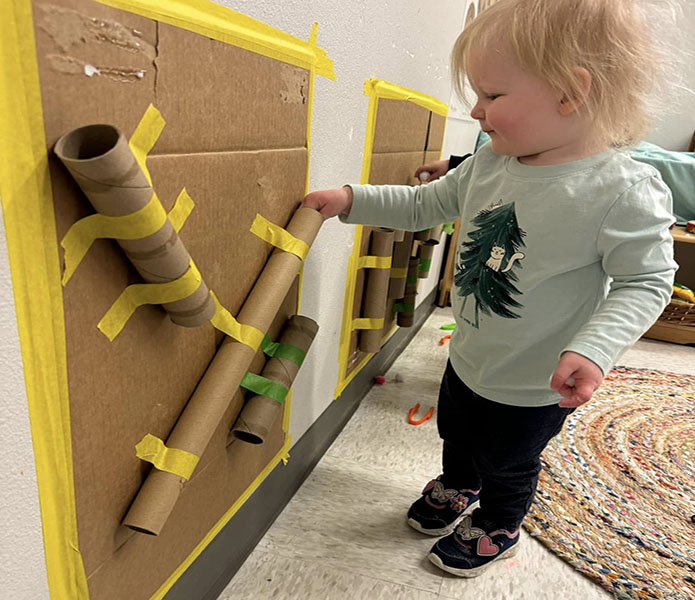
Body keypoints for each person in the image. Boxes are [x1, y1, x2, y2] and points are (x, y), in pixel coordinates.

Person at [302, 0, 678, 578]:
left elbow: (646, 279)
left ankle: (500, 520)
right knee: (458, 432)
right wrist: (353, 201)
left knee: (508, 460)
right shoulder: (488, 163)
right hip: (470, 356)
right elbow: (428, 202)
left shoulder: (622, 189)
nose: (476, 110)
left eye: (492, 96)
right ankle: (457, 485)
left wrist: (595, 349)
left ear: (570, 93)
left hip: (535, 380)